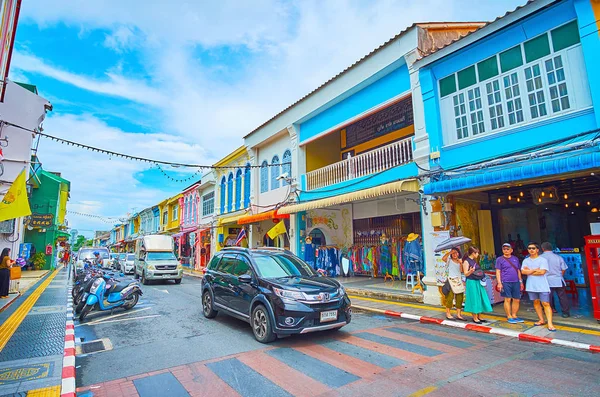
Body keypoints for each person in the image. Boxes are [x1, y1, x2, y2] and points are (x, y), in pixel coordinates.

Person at [521, 242, 555, 331]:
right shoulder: (526, 260)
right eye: (529, 248)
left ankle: (550, 323)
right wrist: (535, 270)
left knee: (546, 303)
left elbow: (542, 272)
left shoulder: (542, 260)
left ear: (537, 250)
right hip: (531, 285)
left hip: (542, 285)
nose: (531, 250)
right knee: (536, 302)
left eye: (533, 248)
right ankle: (541, 319)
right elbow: (523, 272)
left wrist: (530, 271)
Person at [495, 243, 524, 324]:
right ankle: (509, 316)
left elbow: (518, 270)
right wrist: (499, 283)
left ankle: (514, 315)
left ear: (511, 250)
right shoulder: (499, 259)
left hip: (516, 281)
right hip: (505, 281)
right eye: (504, 249)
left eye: (508, 249)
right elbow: (498, 271)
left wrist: (520, 281)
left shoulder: (515, 259)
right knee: (507, 299)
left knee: (516, 299)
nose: (506, 250)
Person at [462, 246, 492, 324]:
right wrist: (470, 271)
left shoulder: (474, 261)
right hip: (471, 282)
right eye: (477, 252)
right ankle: (475, 317)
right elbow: (465, 273)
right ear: (473, 253)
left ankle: (479, 315)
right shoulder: (466, 261)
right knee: (474, 298)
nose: (478, 254)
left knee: (480, 297)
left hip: (478, 281)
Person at [541, 242, 570, 318]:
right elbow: (563, 269)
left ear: (542, 248)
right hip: (558, 279)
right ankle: (565, 312)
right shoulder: (558, 257)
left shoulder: (540, 258)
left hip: (546, 280)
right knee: (562, 296)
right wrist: (559, 275)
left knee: (548, 297)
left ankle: (550, 311)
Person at [441, 247, 466, 321]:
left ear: (459, 253)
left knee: (460, 298)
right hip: (450, 280)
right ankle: (448, 313)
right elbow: (443, 258)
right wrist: (450, 252)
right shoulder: (449, 260)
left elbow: (461, 271)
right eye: (453, 253)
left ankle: (459, 314)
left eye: (456, 252)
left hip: (458, 281)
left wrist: (461, 263)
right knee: (450, 297)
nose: (455, 254)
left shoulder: (460, 261)